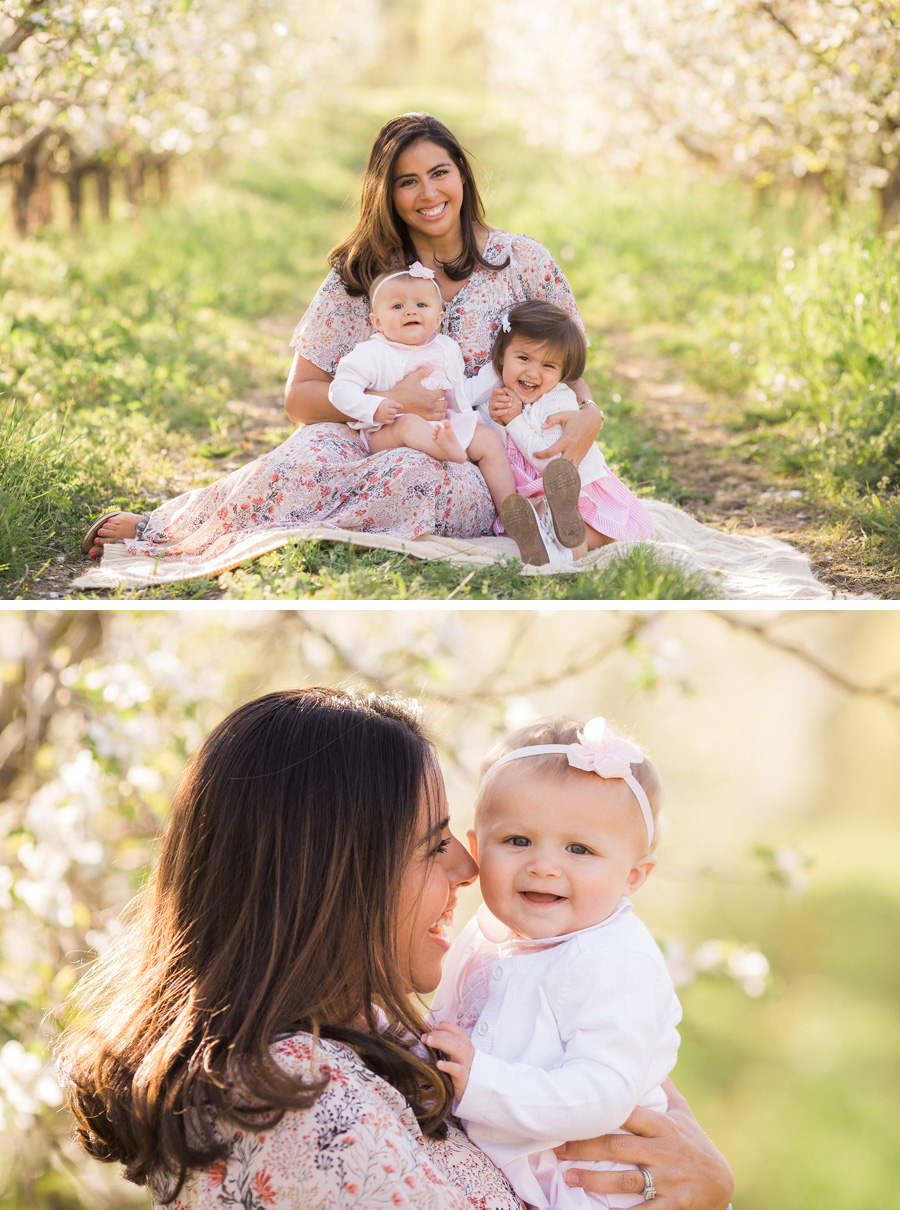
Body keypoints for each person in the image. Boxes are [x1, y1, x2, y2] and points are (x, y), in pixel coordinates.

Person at [54, 689, 734, 1210]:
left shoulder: (363, 1045)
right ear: (335, 875)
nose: (469, 870)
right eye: (434, 843)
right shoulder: (293, 1098)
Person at [81, 113, 607, 569]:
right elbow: (300, 398)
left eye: (439, 173)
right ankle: (167, 527)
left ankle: (519, 516)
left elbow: (569, 363)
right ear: (387, 192)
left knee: (410, 478)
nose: (428, 194)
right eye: (407, 182)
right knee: (303, 457)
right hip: (368, 433)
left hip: (485, 456)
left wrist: (590, 412)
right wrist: (393, 404)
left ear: (462, 176)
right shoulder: (361, 275)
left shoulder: (524, 261)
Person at [427, 716, 678, 1209]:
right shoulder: (485, 933)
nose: (543, 865)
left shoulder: (616, 960)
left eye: (579, 849)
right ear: (478, 850)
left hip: (595, 1184)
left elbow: (603, 1093)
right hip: (519, 1168)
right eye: (518, 841)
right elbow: (444, 1025)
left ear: (633, 876)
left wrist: (482, 1082)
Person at [328, 261, 517, 531]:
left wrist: (499, 369)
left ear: (439, 318)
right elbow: (340, 389)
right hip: (387, 431)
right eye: (397, 306)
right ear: (377, 321)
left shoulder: (445, 349)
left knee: (485, 437)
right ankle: (448, 451)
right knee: (408, 424)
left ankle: (511, 508)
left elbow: (463, 391)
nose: (410, 312)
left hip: (442, 426)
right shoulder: (371, 353)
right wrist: (375, 406)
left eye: (421, 305)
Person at [468, 301, 655, 565]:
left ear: (563, 372)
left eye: (549, 366)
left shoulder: (559, 400)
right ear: (501, 356)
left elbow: (551, 463)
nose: (533, 372)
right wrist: (494, 419)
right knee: (542, 512)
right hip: (535, 498)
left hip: (573, 489)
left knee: (606, 531)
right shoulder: (495, 395)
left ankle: (568, 541)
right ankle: (546, 534)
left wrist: (514, 421)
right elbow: (494, 450)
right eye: (523, 358)